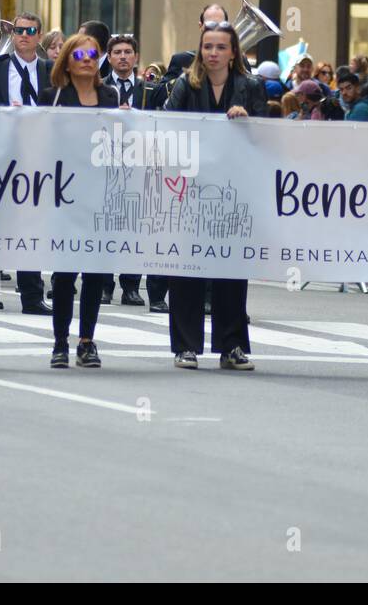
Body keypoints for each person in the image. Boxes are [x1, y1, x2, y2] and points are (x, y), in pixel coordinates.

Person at [164, 23, 266, 371]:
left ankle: (232, 345)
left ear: (233, 52)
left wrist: (247, 120)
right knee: (187, 268)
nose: (212, 53)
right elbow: (167, 126)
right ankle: (185, 346)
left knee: (231, 269)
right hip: (190, 189)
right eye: (207, 46)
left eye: (221, 47)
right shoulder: (185, 84)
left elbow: (266, 137)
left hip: (234, 192)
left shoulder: (250, 87)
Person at [37, 33, 121, 368]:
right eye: (80, 53)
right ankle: (60, 342)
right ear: (67, 60)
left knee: (95, 273)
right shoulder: (52, 96)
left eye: (93, 54)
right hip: (64, 195)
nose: (87, 59)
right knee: (65, 273)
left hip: (100, 195)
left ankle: (87, 340)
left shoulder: (110, 96)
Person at [0, 11, 52, 315]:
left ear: (39, 36)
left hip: (37, 156)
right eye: (19, 30)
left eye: (30, 30)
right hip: (1, 153)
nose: (23, 35)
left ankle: (33, 296)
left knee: (31, 226)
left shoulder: (51, 70)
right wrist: (2, 111)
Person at [102, 33, 157, 308]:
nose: (123, 56)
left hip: (138, 161)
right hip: (106, 162)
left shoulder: (149, 89)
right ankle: (103, 284)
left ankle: (131, 286)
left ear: (135, 57)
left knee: (135, 223)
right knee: (105, 222)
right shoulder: (99, 88)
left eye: (127, 52)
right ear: (109, 58)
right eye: (117, 52)